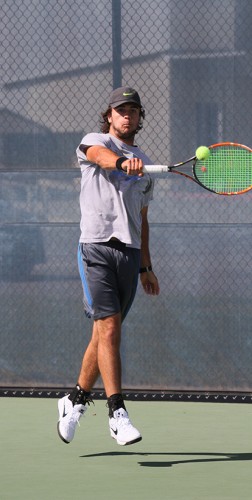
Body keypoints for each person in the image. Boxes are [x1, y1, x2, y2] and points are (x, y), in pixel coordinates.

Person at [57, 86, 160, 446]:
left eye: (133, 110)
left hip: (130, 256)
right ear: (110, 115)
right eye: (121, 110)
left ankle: (74, 400)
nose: (127, 116)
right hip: (96, 248)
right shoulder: (93, 141)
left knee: (104, 334)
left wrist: (146, 267)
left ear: (138, 118)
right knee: (110, 328)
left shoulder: (146, 167)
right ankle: (117, 413)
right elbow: (98, 156)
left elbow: (142, 218)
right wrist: (120, 162)